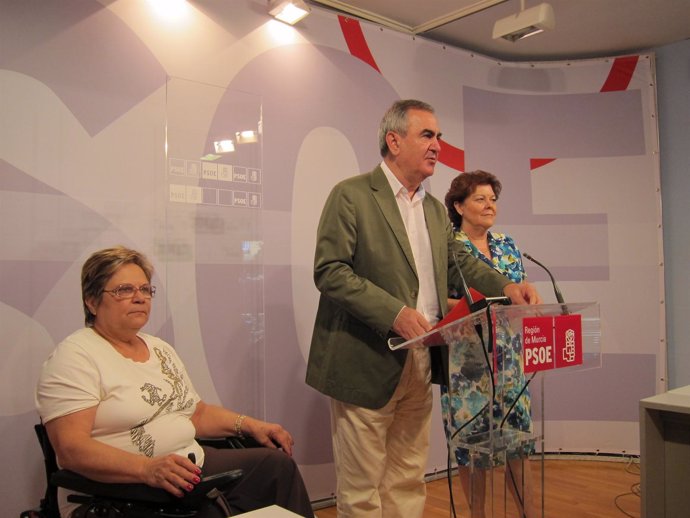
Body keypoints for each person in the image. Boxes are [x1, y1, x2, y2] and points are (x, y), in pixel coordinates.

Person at [306, 100, 540, 518]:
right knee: (362, 491)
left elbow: (462, 264)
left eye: (440, 137)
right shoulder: (352, 195)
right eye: (427, 135)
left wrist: (506, 285)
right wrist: (394, 312)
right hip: (365, 359)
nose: (437, 146)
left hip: (422, 359)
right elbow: (330, 271)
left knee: (407, 480)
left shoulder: (433, 210)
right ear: (394, 141)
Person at [36, 246, 315, 518]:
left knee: (276, 468)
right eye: (124, 290)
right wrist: (147, 469)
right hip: (121, 486)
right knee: (207, 509)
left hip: (187, 465)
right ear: (92, 300)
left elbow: (196, 413)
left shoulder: (159, 348)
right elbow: (72, 450)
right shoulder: (74, 357)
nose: (140, 298)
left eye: (145, 289)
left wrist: (252, 424)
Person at [443, 170, 537, 517]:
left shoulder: (507, 246)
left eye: (492, 199)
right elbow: (438, 302)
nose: (489, 205)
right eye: (480, 199)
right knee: (473, 451)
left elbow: (519, 290)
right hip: (466, 364)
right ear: (458, 206)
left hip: (512, 362)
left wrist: (527, 298)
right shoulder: (448, 247)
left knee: (518, 445)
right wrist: (480, 308)